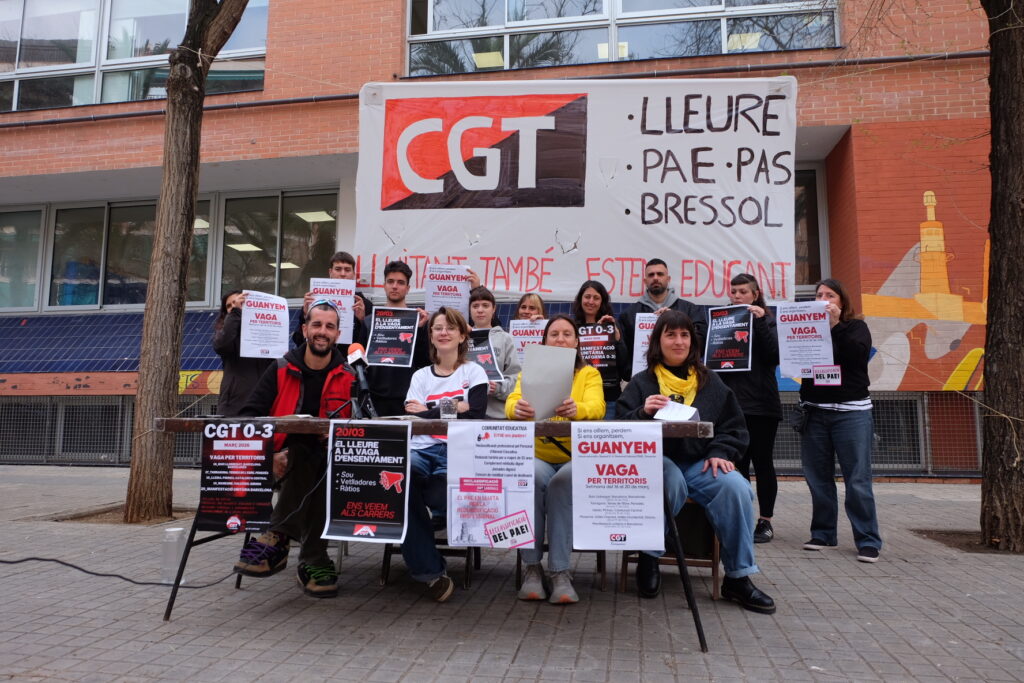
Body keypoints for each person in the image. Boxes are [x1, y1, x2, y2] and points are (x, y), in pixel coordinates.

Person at [617, 310, 775, 614]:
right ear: (658, 341)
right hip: (657, 462)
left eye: (684, 335)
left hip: (700, 463)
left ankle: (738, 577)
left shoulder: (710, 382)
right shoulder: (642, 383)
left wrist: (720, 452)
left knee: (736, 487)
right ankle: (649, 555)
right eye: (671, 335)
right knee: (671, 481)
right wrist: (642, 413)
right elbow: (620, 429)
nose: (678, 342)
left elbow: (734, 427)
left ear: (692, 341)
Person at [233, 301, 355, 598]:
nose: (322, 331)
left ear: (338, 334)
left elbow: (360, 426)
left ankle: (277, 537)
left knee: (317, 460)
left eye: (329, 326)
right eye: (317, 325)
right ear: (305, 329)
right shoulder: (280, 368)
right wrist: (269, 456)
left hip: (329, 463)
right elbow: (248, 419)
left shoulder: (351, 375)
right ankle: (315, 559)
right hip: (279, 461)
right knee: (302, 450)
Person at [506, 315, 605, 604]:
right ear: (545, 341)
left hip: (576, 456)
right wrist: (516, 409)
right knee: (528, 479)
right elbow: (511, 401)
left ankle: (560, 572)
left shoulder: (589, 374)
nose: (560, 339)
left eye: (567, 334)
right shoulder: (529, 371)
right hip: (538, 455)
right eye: (554, 334)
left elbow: (598, 406)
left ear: (576, 342)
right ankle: (532, 569)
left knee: (563, 483)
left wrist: (579, 409)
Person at [403, 307, 489, 601]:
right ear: (431, 336)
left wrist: (430, 409)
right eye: (438, 328)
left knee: (432, 492)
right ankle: (430, 571)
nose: (443, 332)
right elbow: (413, 417)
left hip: (457, 451)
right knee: (401, 482)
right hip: (421, 450)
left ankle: (423, 561)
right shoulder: (420, 376)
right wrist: (455, 406)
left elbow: (476, 413)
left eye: (451, 328)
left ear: (462, 335)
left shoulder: (474, 371)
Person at [799, 278, 882, 563]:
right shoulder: (808, 329)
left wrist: (835, 325)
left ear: (842, 302)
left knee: (857, 479)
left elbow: (857, 357)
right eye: (818, 294)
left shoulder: (856, 327)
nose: (823, 299)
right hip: (815, 412)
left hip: (851, 413)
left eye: (830, 295)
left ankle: (868, 540)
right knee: (818, 477)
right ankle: (823, 533)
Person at [719, 274, 782, 544]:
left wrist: (760, 322)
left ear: (755, 295)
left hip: (763, 405)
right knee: (738, 465)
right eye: (733, 291)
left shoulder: (768, 320)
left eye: (743, 291)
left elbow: (774, 355)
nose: (737, 296)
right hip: (734, 406)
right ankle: (742, 516)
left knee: (763, 463)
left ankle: (765, 521)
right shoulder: (724, 320)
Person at [365, 260, 431, 416]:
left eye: (400, 282)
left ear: (408, 288)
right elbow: (359, 361)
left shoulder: (419, 321)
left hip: (409, 398)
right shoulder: (368, 321)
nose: (395, 286)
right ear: (384, 285)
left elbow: (425, 362)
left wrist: (420, 330)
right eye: (390, 281)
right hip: (375, 398)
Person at [618, 258, 707, 360]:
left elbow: (701, 346)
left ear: (668, 279)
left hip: (682, 369)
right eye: (651, 275)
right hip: (644, 369)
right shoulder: (629, 315)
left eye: (660, 274)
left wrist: (677, 320)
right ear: (645, 281)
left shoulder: (690, 310)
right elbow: (623, 354)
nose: (655, 278)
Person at [571, 280, 630, 418]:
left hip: (610, 398)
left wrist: (617, 340)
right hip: (580, 398)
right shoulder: (572, 327)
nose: (591, 301)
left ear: (602, 302)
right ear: (580, 299)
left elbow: (626, 371)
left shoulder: (612, 326)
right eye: (587, 297)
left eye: (596, 298)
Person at [292, 250, 373, 347]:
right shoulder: (314, 301)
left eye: (347, 270)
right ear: (330, 272)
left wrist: (363, 321)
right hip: (320, 355)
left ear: (353, 274)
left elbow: (371, 345)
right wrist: (305, 315)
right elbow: (299, 341)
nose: (343, 274)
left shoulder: (365, 305)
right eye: (338, 269)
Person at [212, 289, 273, 417]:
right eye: (229, 306)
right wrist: (236, 313)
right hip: (234, 407)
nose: (233, 307)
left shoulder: (268, 334)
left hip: (264, 404)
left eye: (237, 302)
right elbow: (221, 345)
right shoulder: (224, 335)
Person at [468, 286, 521, 419]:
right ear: (470, 310)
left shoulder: (505, 339)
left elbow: (516, 379)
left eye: (485, 305)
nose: (480, 310)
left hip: (497, 415)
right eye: (475, 306)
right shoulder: (461, 338)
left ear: (494, 309)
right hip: (467, 413)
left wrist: (497, 387)